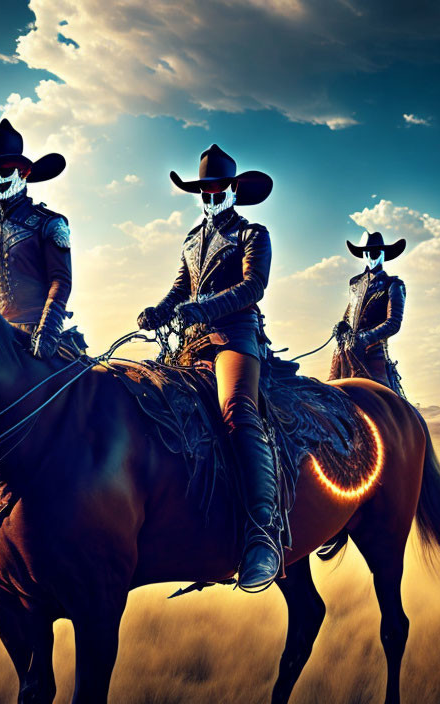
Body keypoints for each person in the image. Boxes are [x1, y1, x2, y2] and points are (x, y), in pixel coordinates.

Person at [136, 144, 280, 592]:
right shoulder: (191, 239)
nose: (211, 195)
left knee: (237, 410)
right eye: (204, 189)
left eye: (218, 189)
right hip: (191, 345)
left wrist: (207, 307)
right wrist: (159, 312)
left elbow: (253, 286)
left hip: (236, 338)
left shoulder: (252, 234)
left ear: (233, 190)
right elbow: (181, 288)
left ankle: (263, 533)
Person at [0, 119, 76, 359]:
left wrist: (49, 329)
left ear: (23, 172)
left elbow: (60, 280)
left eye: (5, 170)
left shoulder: (50, 223)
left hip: (40, 331)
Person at [328, 231, 406, 396]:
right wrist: (343, 326)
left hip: (374, 353)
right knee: (329, 392)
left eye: (375, 252)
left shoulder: (393, 285)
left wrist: (365, 338)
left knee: (384, 401)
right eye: (367, 252)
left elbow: (393, 322)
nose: (371, 256)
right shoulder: (355, 285)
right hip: (346, 352)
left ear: (383, 254)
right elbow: (350, 315)